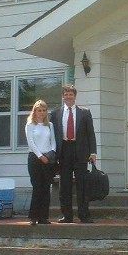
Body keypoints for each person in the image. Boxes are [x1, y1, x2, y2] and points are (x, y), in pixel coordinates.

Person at [50, 84, 97, 223]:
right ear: (63, 97)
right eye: (66, 94)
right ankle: (67, 215)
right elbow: (52, 135)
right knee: (65, 185)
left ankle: (84, 215)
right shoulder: (56, 114)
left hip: (81, 151)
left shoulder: (85, 112)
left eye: (71, 94)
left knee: (82, 184)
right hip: (64, 151)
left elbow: (91, 134)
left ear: (75, 96)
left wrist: (93, 152)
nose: (68, 97)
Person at [25, 100, 56, 225]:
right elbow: (31, 143)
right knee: (37, 187)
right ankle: (33, 217)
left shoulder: (50, 125)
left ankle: (43, 217)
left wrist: (51, 153)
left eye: (44, 110)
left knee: (46, 188)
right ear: (35, 111)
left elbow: (53, 141)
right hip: (35, 158)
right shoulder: (30, 125)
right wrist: (40, 156)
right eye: (39, 110)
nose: (42, 113)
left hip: (48, 158)